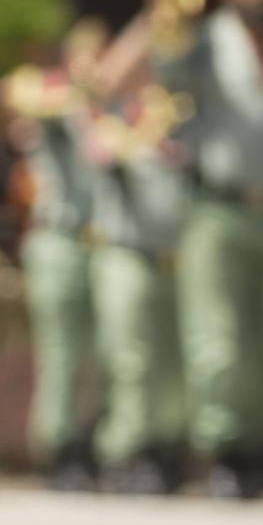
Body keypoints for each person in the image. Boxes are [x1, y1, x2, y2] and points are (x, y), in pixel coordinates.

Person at [108, 0, 263, 498]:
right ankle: (227, 451)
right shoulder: (203, 40)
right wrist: (160, 10)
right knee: (219, 341)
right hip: (217, 211)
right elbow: (117, 79)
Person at [2, 20, 105, 490]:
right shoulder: (51, 96)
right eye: (85, 56)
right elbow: (13, 92)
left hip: (103, 243)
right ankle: (57, 446)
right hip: (57, 238)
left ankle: (92, 440)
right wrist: (76, 93)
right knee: (61, 350)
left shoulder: (114, 110)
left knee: (101, 351)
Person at [81, 84, 191, 494]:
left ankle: (166, 447)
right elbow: (95, 153)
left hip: (174, 262)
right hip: (126, 256)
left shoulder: (182, 130)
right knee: (130, 360)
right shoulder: (116, 126)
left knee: (172, 363)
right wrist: (133, 137)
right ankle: (125, 450)